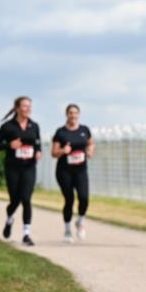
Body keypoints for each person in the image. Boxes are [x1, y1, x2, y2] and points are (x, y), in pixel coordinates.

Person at [0, 97, 42, 246]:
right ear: (17, 109)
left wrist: (38, 152)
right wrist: (9, 145)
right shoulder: (8, 127)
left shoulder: (34, 126)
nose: (28, 109)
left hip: (29, 167)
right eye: (25, 106)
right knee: (15, 200)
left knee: (26, 199)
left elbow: (37, 143)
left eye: (29, 106)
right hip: (13, 168)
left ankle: (26, 234)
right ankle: (9, 220)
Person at [51, 104, 95, 243]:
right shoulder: (61, 132)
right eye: (70, 113)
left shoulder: (84, 129)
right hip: (64, 171)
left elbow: (91, 143)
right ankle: (68, 230)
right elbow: (53, 153)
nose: (73, 115)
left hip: (81, 170)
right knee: (69, 200)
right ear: (66, 114)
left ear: (79, 114)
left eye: (75, 113)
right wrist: (63, 151)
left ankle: (80, 221)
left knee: (84, 197)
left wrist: (90, 151)